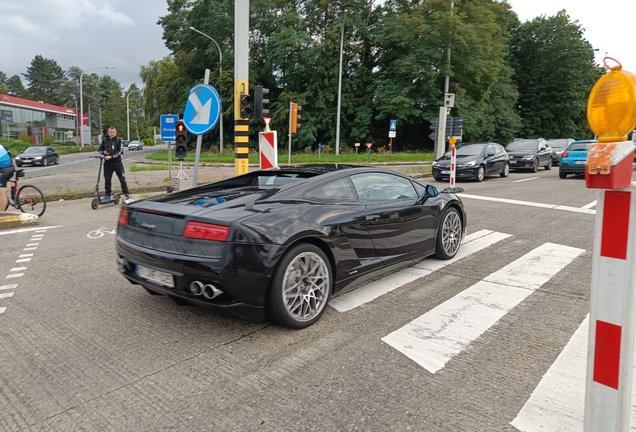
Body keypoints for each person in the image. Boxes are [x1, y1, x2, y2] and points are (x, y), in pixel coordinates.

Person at [98, 126, 130, 201]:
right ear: (108, 132)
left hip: (117, 163)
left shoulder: (119, 140)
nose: (112, 133)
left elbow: (120, 151)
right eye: (110, 132)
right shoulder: (105, 140)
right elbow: (99, 149)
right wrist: (103, 152)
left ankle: (126, 194)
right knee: (107, 180)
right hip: (107, 164)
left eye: (113, 132)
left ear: (116, 132)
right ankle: (107, 195)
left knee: (122, 179)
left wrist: (111, 156)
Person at [0, 143, 16, 212]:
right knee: (4, 181)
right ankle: (10, 193)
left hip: (5, 170)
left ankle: (1, 214)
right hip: (9, 167)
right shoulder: (1, 146)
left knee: (1, 192)